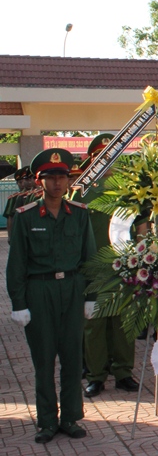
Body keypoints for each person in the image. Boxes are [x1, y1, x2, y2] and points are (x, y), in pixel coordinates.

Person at [7, 148, 96, 443]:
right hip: (39, 291)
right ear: (39, 181)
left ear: (69, 181)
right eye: (51, 178)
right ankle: (46, 421)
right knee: (43, 360)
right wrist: (19, 303)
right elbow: (17, 263)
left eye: (62, 177)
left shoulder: (80, 215)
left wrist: (90, 296)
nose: (57, 183)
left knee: (72, 357)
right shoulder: (25, 216)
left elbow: (89, 259)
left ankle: (70, 417)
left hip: (71, 289)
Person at [79, 134, 140, 398]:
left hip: (124, 267)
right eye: (100, 157)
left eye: (111, 156)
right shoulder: (81, 192)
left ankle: (124, 373)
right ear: (92, 160)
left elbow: (139, 227)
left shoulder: (129, 191)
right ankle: (96, 376)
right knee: (95, 325)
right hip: (95, 269)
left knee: (124, 323)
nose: (106, 161)